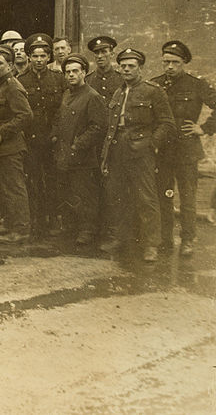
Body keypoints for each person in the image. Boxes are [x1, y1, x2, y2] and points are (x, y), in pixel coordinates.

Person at [101, 48, 174, 262]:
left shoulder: (153, 91)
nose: (126, 69)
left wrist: (152, 145)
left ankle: (151, 244)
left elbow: (167, 123)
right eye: (123, 66)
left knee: (146, 197)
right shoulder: (118, 92)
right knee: (119, 195)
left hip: (141, 151)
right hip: (118, 149)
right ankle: (123, 238)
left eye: (131, 66)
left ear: (140, 68)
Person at [151, 41, 216, 257]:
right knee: (164, 196)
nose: (170, 66)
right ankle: (166, 240)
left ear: (183, 63)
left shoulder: (197, 85)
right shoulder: (155, 84)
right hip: (163, 152)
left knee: (187, 198)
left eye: (175, 62)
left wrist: (204, 128)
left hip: (187, 151)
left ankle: (188, 240)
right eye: (166, 62)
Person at [50, 54, 107, 245]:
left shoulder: (92, 96)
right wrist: (55, 136)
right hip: (64, 153)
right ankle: (70, 226)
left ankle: (87, 230)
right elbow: (60, 118)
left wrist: (78, 144)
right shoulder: (67, 94)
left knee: (85, 194)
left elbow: (98, 127)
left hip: (82, 156)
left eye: (75, 71)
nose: (71, 75)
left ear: (84, 73)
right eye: (68, 72)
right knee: (66, 192)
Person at [0, 44, 33, 244]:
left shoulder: (13, 86)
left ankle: (20, 229)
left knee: (14, 187)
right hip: (0, 147)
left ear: (10, 65)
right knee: (2, 187)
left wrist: (2, 131)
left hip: (11, 147)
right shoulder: (3, 86)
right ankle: (8, 222)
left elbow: (26, 115)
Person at [18, 33, 66, 236]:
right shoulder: (20, 80)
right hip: (30, 139)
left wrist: (55, 133)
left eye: (43, 56)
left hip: (52, 139)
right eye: (35, 56)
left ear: (49, 57)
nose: (39, 60)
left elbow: (63, 110)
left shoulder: (59, 79)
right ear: (29, 57)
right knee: (32, 178)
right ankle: (36, 218)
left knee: (53, 179)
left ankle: (53, 217)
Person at [86, 36, 121, 100]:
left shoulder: (122, 79)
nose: (99, 56)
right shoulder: (87, 80)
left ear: (112, 54)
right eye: (96, 53)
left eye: (104, 52)